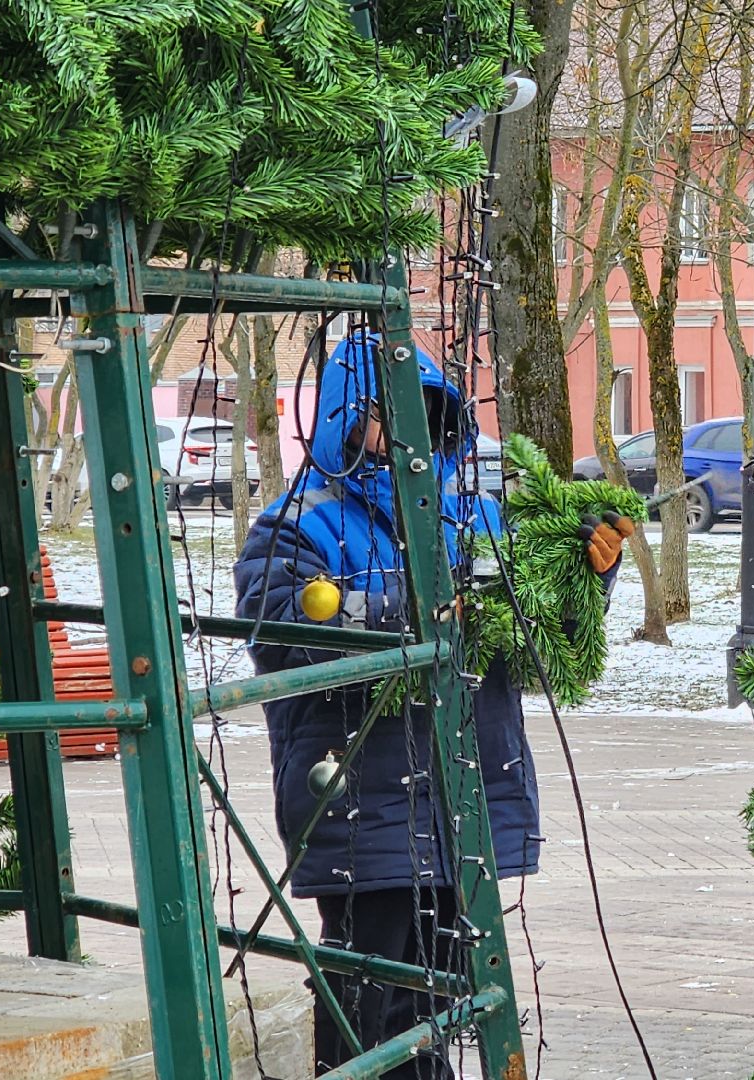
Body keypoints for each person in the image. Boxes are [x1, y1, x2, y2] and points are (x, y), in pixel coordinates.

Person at [234, 334, 628, 1078]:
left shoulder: (476, 514)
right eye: (388, 413)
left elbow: (537, 643)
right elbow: (282, 634)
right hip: (363, 804)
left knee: (442, 999)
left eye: (425, 411)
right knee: (367, 998)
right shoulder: (298, 522)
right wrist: (417, 607)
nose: (408, 431)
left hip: (462, 797)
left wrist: (582, 575)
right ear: (348, 417)